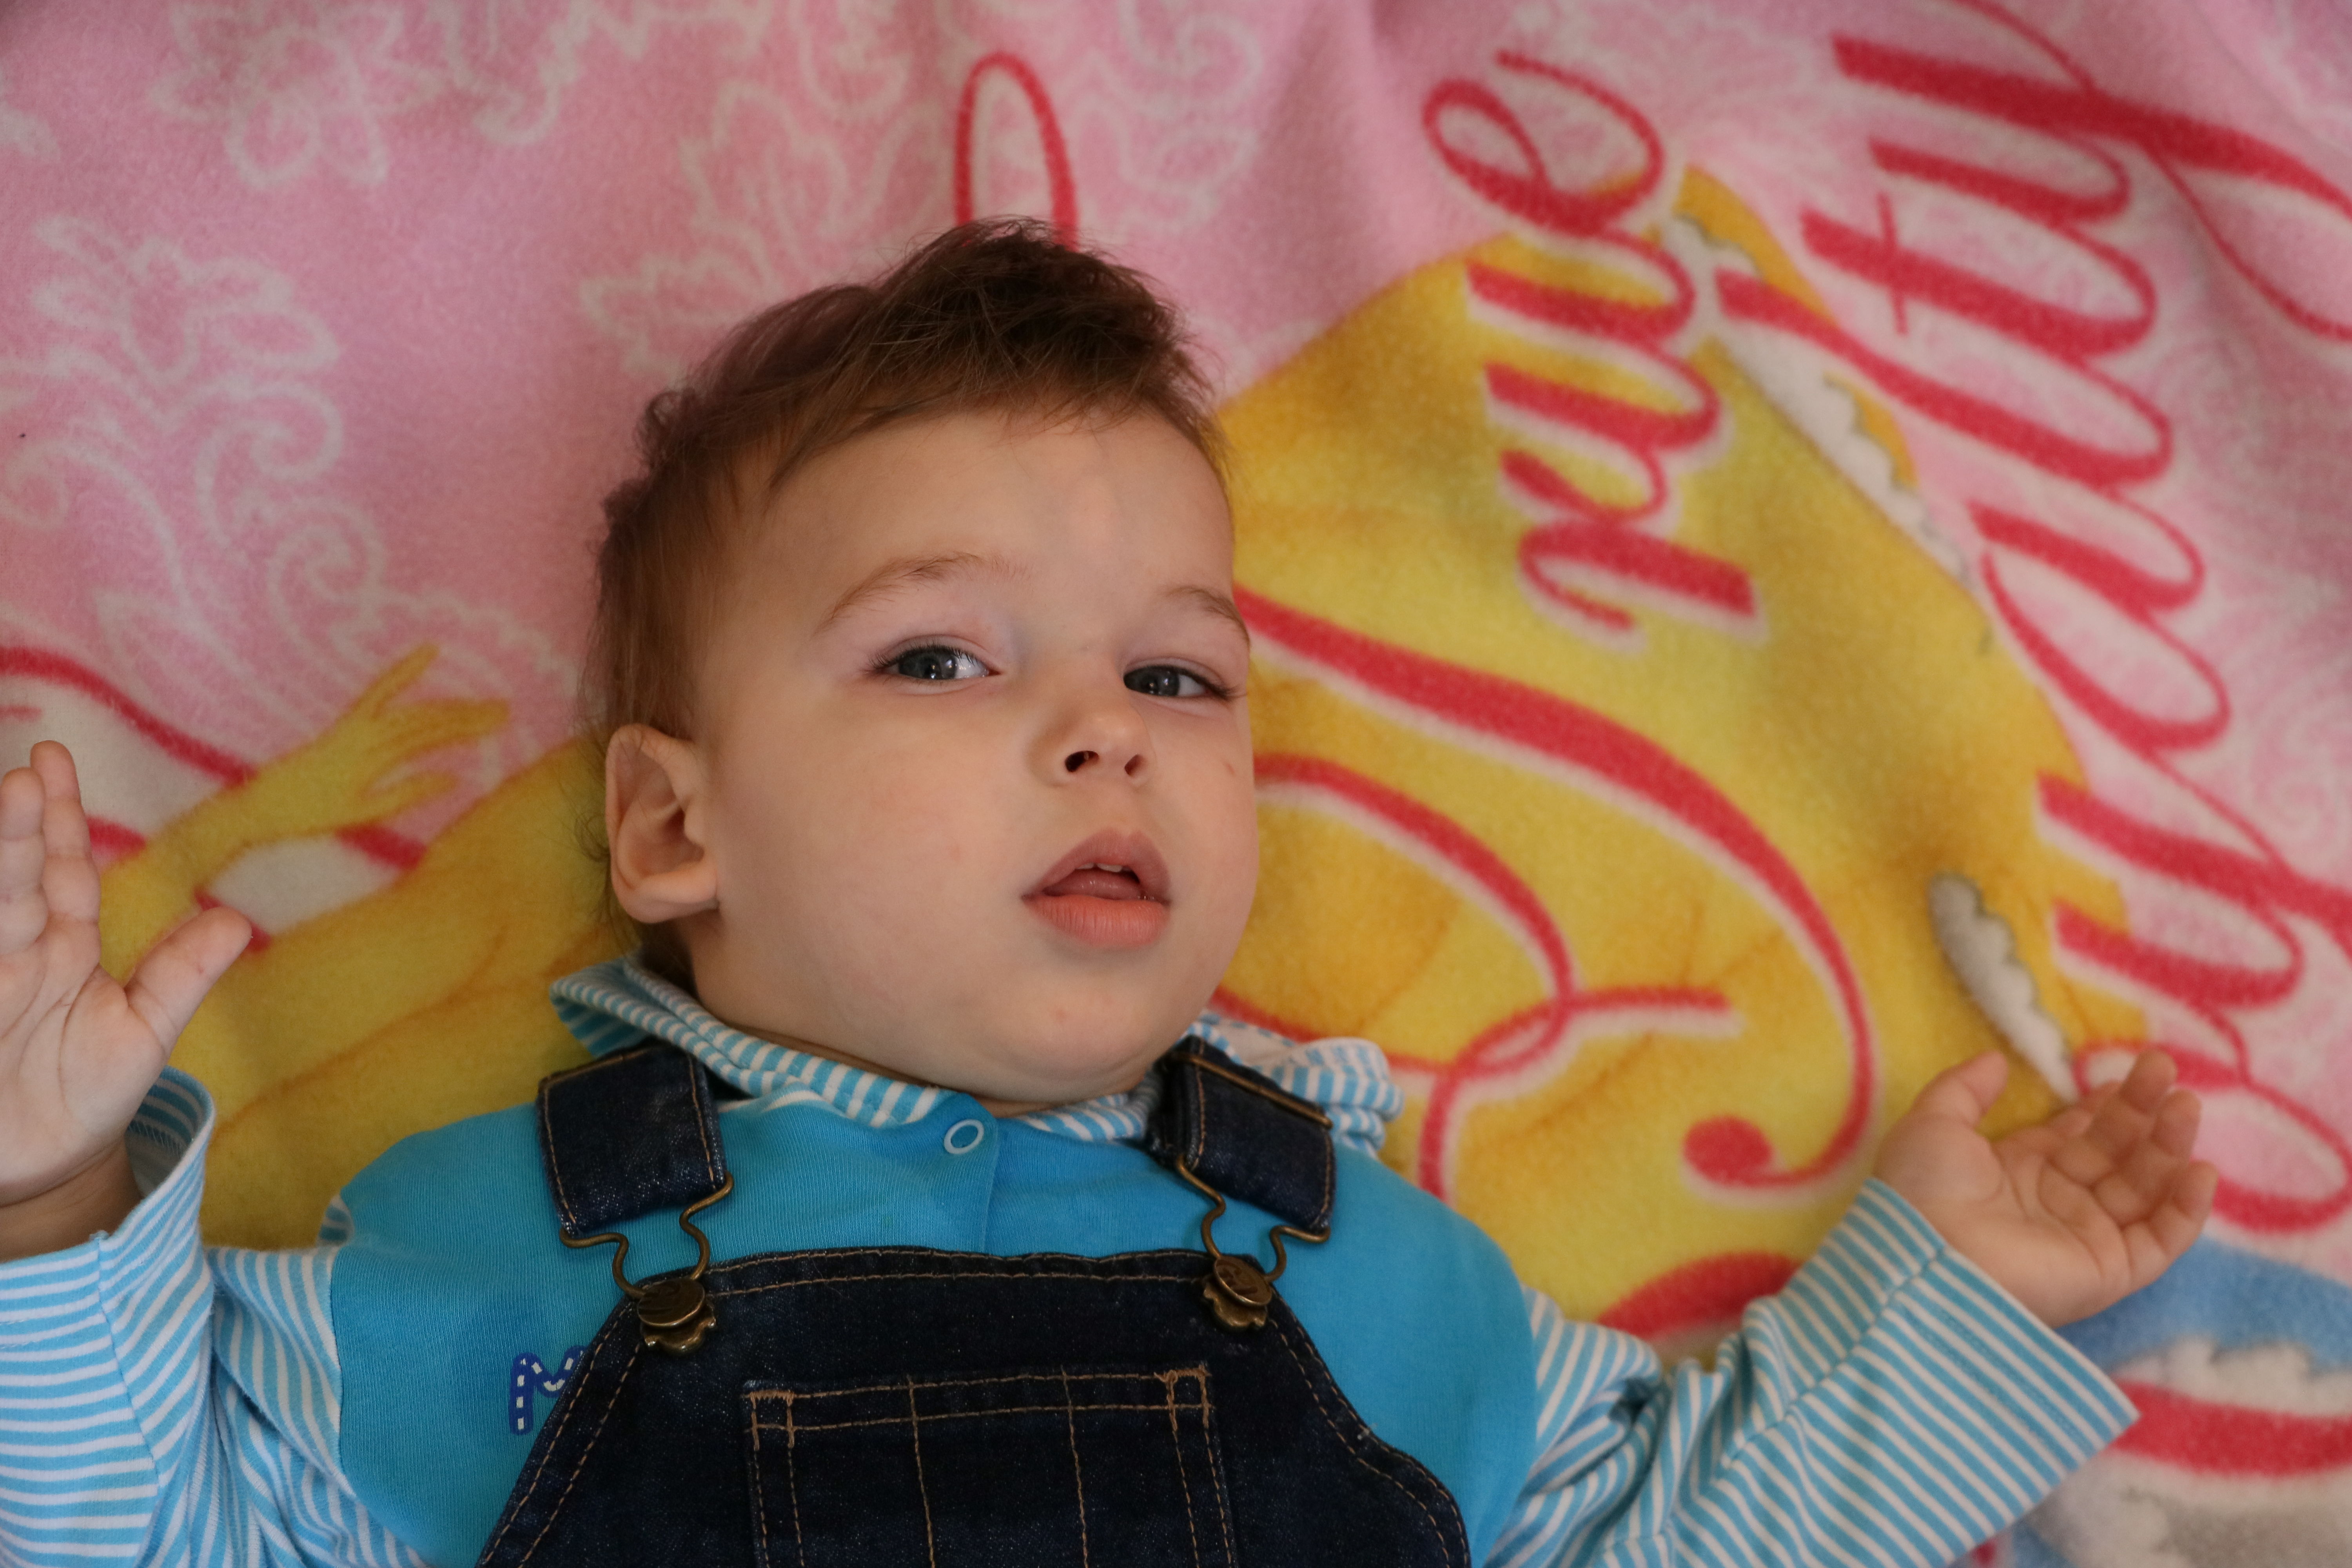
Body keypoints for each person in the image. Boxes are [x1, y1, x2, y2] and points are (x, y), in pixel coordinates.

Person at [0, 220, 2215, 1567]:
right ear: (671, 828)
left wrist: (1950, 1296)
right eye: (941, 658)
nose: (1106, 732)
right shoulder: (470, 1265)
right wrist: (47, 1204)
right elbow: (127, 1530)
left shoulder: (1383, 1282)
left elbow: (1695, 1538)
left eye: (1177, 675)